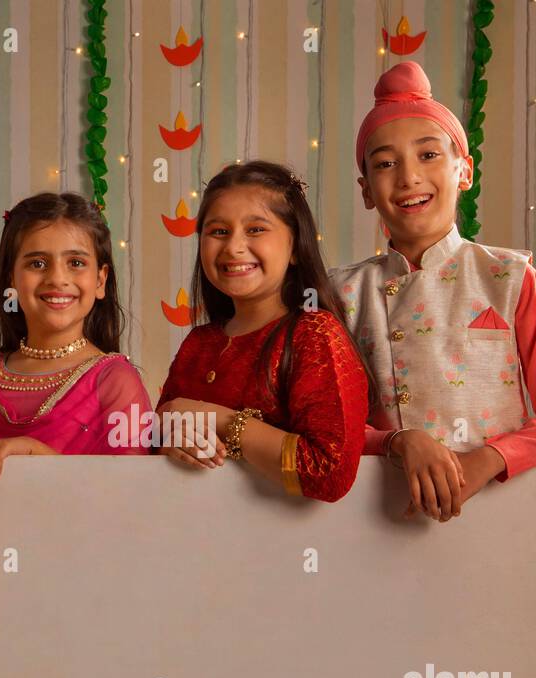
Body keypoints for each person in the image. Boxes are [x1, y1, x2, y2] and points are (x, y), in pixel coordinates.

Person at [332, 61, 536, 521]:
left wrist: (486, 462)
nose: (409, 177)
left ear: (465, 171)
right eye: (385, 164)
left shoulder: (511, 279)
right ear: (366, 191)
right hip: (371, 515)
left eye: (428, 155)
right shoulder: (341, 293)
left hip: (502, 507)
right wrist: (397, 442)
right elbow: (328, 426)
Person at [155, 160, 373, 503]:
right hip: (193, 534)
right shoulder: (200, 343)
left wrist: (220, 420)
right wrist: (170, 440)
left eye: (255, 229)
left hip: (279, 544)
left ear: (295, 248)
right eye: (218, 231)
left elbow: (329, 473)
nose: (233, 247)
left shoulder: (314, 333)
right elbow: (154, 447)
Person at [0, 192, 152, 483]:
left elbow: (133, 497)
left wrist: (37, 455)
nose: (57, 279)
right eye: (37, 264)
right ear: (12, 278)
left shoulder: (117, 382)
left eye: (75, 263)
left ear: (100, 280)